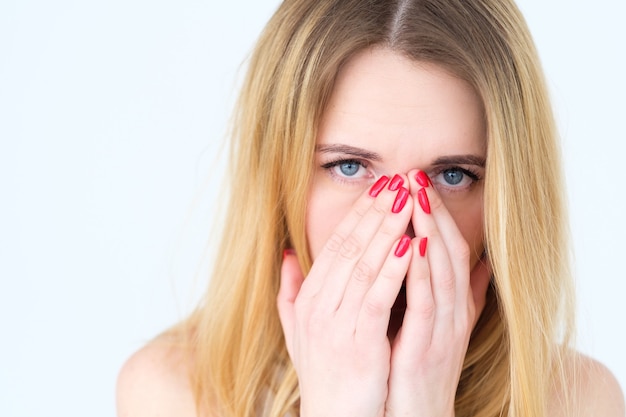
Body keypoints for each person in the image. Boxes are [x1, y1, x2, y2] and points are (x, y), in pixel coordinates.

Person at [116, 0, 624, 416]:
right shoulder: (173, 394)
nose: (402, 225)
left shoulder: (576, 401)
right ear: (277, 179)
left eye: (453, 176)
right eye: (350, 167)